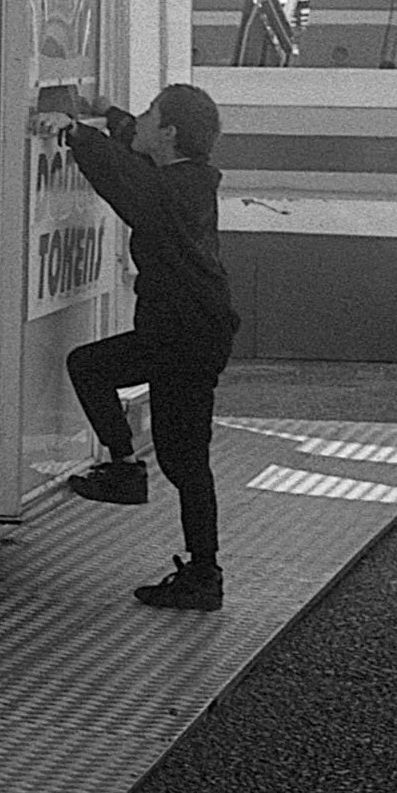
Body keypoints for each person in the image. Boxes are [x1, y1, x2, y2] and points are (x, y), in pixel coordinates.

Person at [31, 83, 239, 612]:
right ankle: (200, 570)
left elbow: (125, 180)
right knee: (183, 458)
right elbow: (136, 157)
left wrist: (75, 132)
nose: (141, 120)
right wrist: (111, 115)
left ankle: (128, 475)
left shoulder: (172, 191)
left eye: (150, 114)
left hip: (183, 336)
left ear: (168, 133)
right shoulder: (186, 179)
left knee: (97, 374)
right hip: (188, 333)